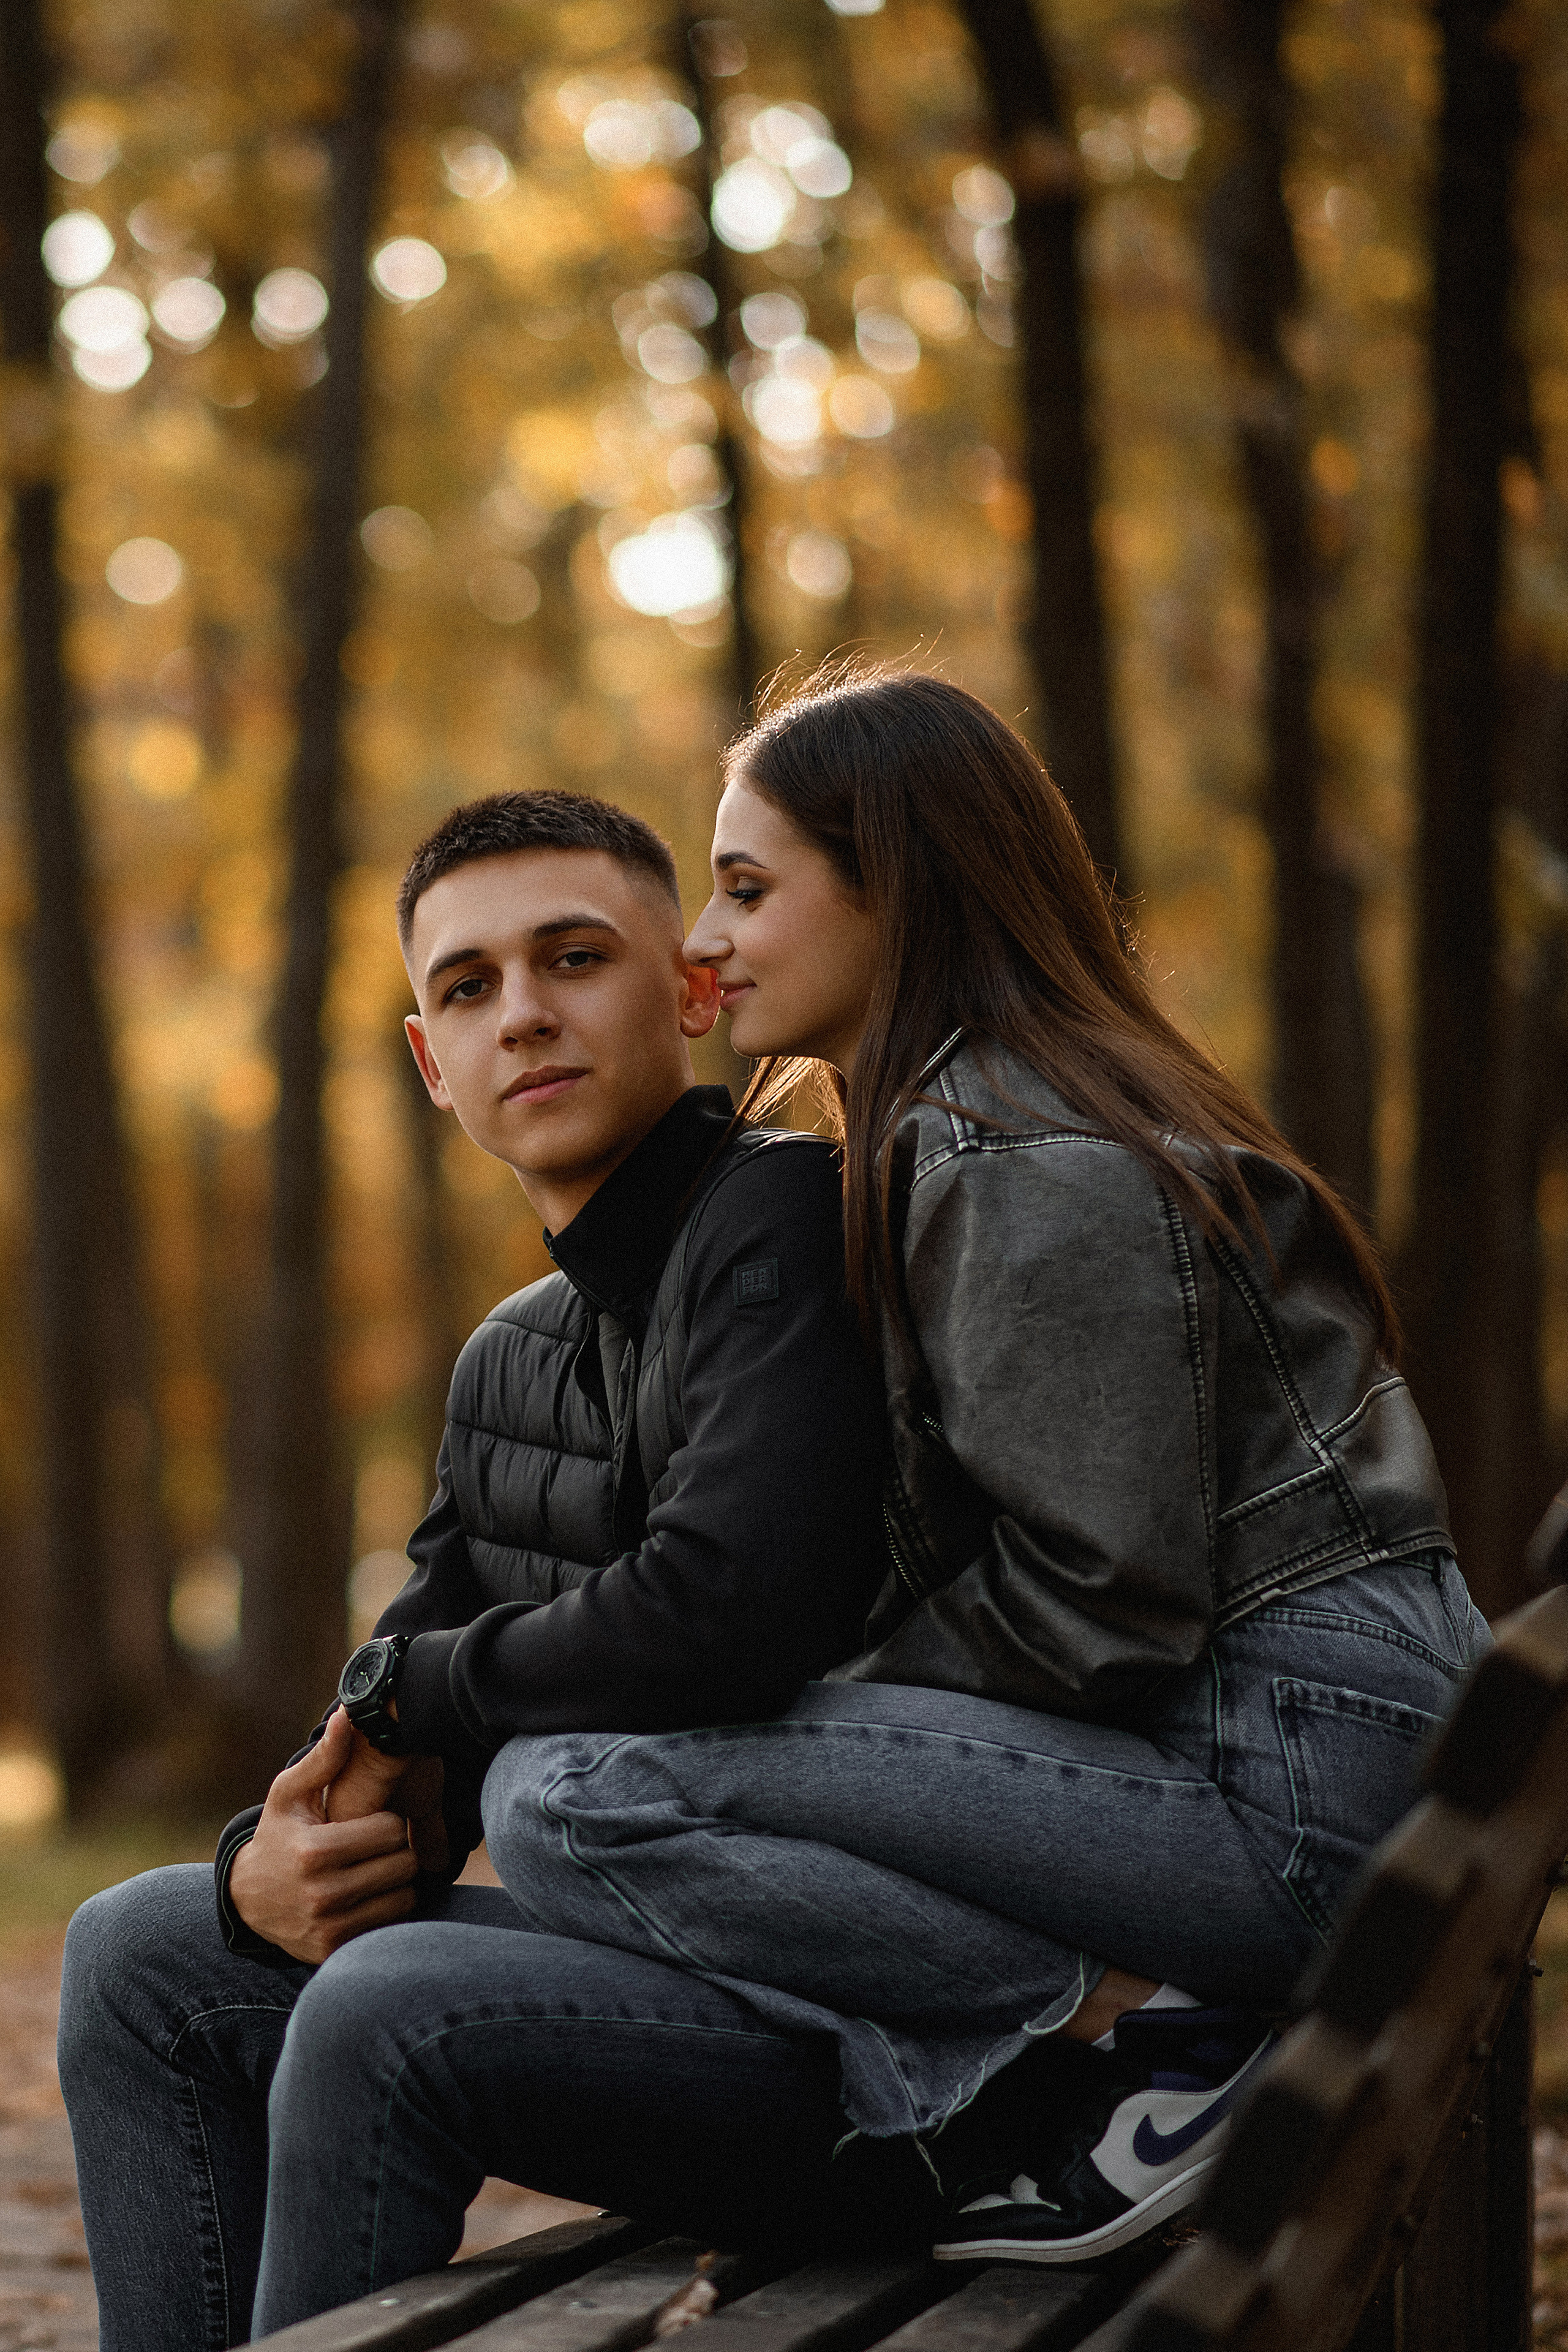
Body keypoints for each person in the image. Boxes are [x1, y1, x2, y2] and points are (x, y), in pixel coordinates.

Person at [478, 667, 1484, 2266]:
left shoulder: (1021, 1149)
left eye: (748, 887)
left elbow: (1103, 1600)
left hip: (1291, 1792)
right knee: (604, 1769)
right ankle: (1106, 2060)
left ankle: (1144, 2046)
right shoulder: (979, 1120)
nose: (704, 942)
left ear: (902, 885)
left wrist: (835, 1696)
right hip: (1309, 1764)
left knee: (571, 1789)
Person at [58, 790, 892, 2350]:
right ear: (431, 1066)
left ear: (693, 990)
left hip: (873, 2032)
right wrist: (272, 1864)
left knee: (389, 2011)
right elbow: (397, 1718)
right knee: (142, 1950)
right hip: (667, 1989)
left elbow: (734, 1608)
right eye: (467, 988)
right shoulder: (514, 1359)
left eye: (573, 958)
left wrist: (413, 1687)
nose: (522, 1015)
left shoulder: (783, 1216)